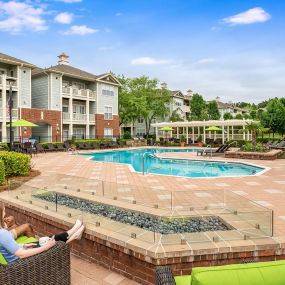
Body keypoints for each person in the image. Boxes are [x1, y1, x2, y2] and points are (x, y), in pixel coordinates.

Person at [0, 209, 85, 264]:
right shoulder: (2, 233)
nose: (5, 218)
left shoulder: (2, 233)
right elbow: (21, 255)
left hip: (17, 259)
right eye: (3, 216)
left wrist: (23, 245)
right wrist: (46, 247)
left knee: (49, 239)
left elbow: (6, 247)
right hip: (22, 263)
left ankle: (73, 233)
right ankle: (74, 235)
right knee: (52, 244)